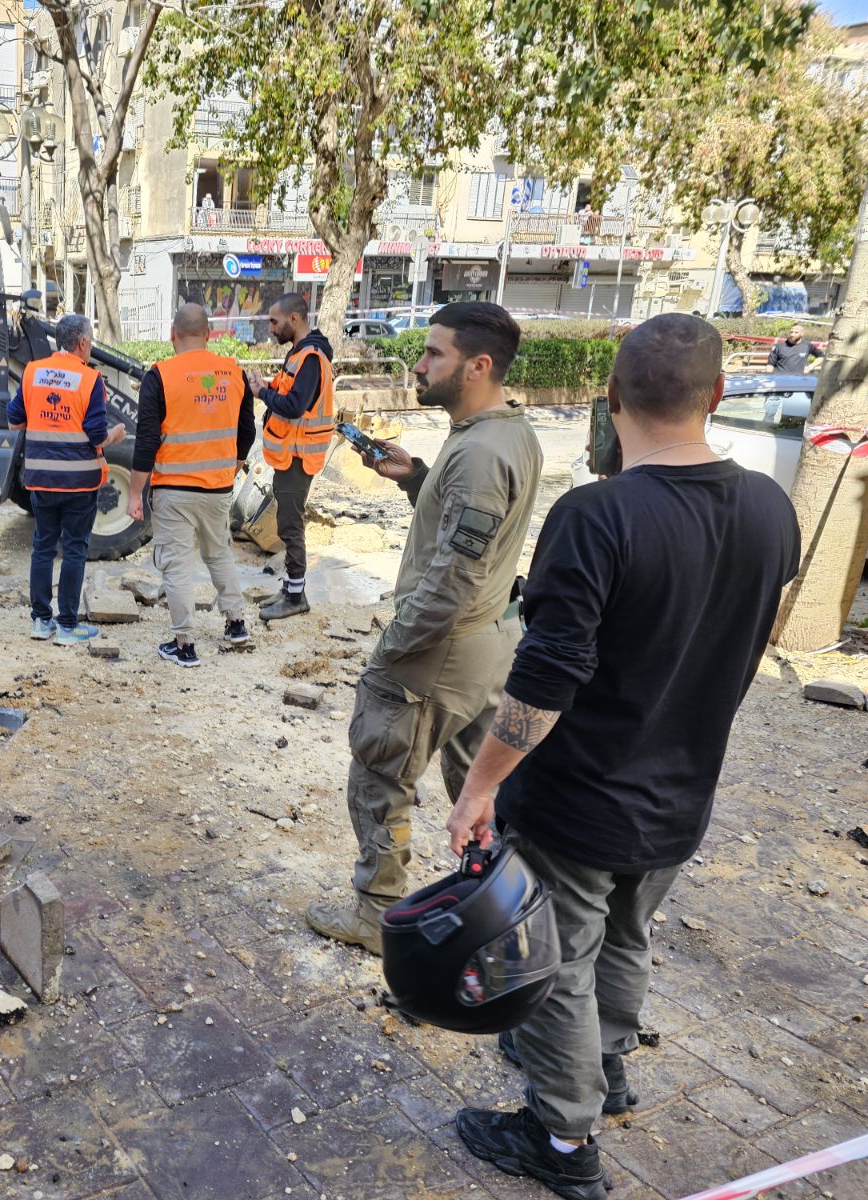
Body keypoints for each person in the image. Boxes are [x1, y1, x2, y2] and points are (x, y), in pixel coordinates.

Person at [445, 313, 799, 1200]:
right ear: (718, 394)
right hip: (681, 793)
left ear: (610, 397)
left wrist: (478, 787)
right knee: (627, 935)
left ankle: (563, 1140)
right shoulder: (772, 508)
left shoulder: (596, 515)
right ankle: (606, 1066)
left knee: (558, 962)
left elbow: (545, 678)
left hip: (580, 801)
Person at [305, 301, 542, 953]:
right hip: (489, 643)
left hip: (441, 651)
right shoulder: (506, 433)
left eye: (435, 353)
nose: (419, 364)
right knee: (478, 785)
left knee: (380, 772)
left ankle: (376, 912)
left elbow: (453, 575)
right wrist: (416, 479)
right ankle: (499, 905)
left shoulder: (482, 454)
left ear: (478, 366)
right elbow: (471, 529)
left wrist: (392, 651)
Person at [127, 302, 255, 665]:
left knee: (177, 566)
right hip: (218, 489)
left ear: (173, 335)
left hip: (174, 490)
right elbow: (247, 432)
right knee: (220, 553)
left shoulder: (160, 376)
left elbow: (146, 442)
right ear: (209, 335)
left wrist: (134, 493)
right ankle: (236, 624)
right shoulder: (234, 373)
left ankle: (185, 645)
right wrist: (232, 469)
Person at [9, 313, 126, 646]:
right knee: (74, 549)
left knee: (43, 547)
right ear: (83, 342)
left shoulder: (33, 372)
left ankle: (40, 621)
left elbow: (14, 421)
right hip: (79, 483)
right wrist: (116, 434)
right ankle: (67, 626)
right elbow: (97, 436)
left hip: (41, 479)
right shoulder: (90, 379)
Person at [245, 293, 335, 621]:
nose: (271, 328)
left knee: (290, 525)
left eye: (274, 321)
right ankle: (290, 590)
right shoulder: (300, 353)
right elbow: (289, 392)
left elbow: (295, 406)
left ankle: (296, 596)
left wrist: (261, 393)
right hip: (291, 455)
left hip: (299, 456)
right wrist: (268, 386)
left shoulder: (310, 357)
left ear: (293, 319)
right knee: (287, 522)